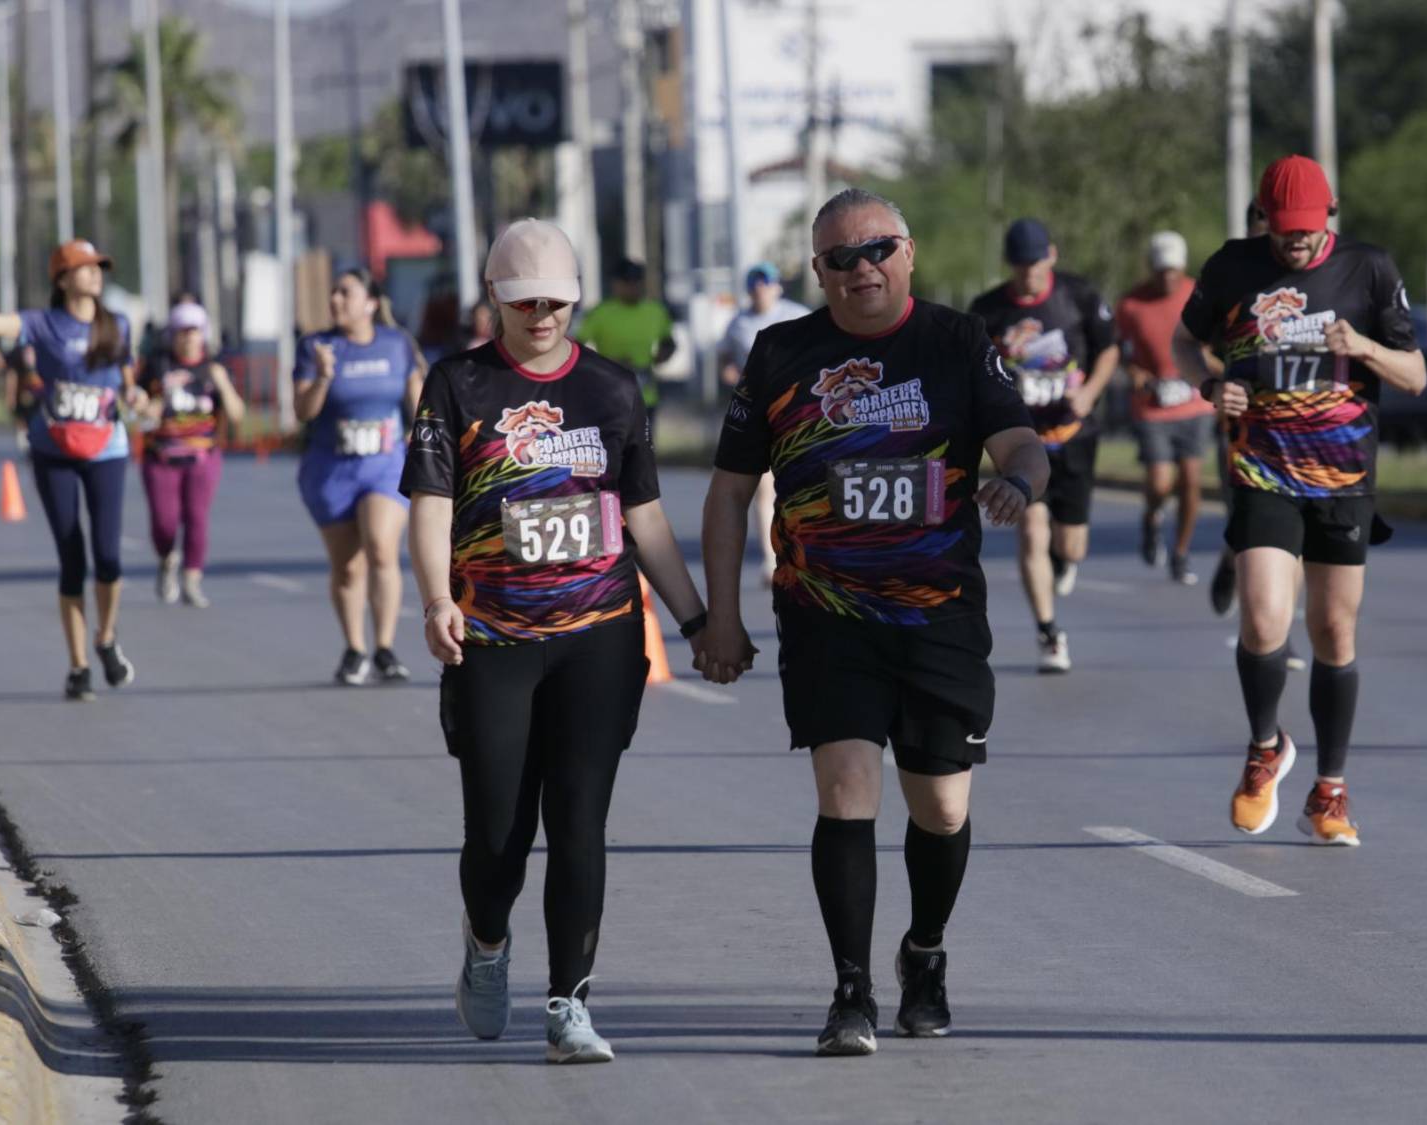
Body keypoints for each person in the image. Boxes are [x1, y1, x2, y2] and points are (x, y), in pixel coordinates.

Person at [701, 188, 1048, 1057]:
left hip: (938, 617)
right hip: (826, 613)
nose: (861, 269)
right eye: (839, 259)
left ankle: (922, 952)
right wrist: (721, 618)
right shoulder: (781, 353)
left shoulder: (957, 342)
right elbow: (729, 491)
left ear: (909, 252)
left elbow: (1019, 441)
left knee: (939, 806)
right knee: (845, 792)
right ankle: (849, 990)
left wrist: (1021, 482)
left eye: (876, 250)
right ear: (817, 272)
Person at [404, 218, 710, 1064]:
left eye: (556, 301)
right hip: (494, 641)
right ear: (496, 299)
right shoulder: (458, 384)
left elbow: (642, 513)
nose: (541, 315)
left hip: (598, 638)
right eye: (524, 300)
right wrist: (436, 600)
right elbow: (430, 504)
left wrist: (694, 617)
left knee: (579, 825)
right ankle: (488, 942)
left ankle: (569, 1003)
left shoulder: (612, 390)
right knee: (498, 837)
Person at [1183, 155, 1424, 847]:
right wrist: (1209, 386)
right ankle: (1264, 747)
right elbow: (1183, 342)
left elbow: (1415, 376)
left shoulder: (1369, 269)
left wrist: (1366, 347)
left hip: (1344, 478)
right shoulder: (1231, 267)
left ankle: (1329, 790)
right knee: (1262, 619)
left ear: (1330, 216)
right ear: (1263, 217)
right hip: (1261, 468)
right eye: (1283, 230)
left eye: (1307, 230)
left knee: (1331, 632)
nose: (1294, 243)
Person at [968, 218, 1117, 673]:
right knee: (1031, 530)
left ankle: (1061, 558)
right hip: (1020, 442)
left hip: (1073, 436)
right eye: (1020, 265)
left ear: (1050, 256)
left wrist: (1089, 393)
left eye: (1035, 263)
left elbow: (1109, 348)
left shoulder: (1078, 296)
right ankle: (1049, 633)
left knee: (1071, 546)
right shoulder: (988, 310)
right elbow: (971, 370)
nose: (1028, 273)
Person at [0, 239, 141, 700]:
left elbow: (129, 382)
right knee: (72, 558)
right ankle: (78, 665)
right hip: (54, 449)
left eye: (99, 266)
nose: (95, 274)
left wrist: (136, 397)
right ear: (62, 279)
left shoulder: (117, 324)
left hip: (106, 449)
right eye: (84, 268)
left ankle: (106, 637)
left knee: (109, 555)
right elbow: (4, 323)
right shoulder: (43, 323)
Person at [292, 268, 424, 685]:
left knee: (382, 548)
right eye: (332, 292)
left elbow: (419, 401)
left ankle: (384, 646)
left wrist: (423, 432)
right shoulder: (316, 346)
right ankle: (355, 647)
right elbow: (302, 412)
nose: (335, 299)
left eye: (345, 292)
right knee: (348, 567)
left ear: (370, 302)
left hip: (385, 466)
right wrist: (324, 375)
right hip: (330, 468)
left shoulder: (396, 343)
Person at [1117, 231, 1215, 584]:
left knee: (1191, 480)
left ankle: (1180, 552)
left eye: (1173, 271)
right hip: (1153, 405)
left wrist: (1210, 369)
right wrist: (1137, 375)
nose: (1168, 278)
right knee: (1160, 483)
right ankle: (1152, 517)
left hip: (1193, 402)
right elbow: (1122, 354)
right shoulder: (1131, 305)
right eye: (1161, 271)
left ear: (1183, 267)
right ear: (1151, 269)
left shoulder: (1199, 293)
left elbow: (1212, 341)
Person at [139, 301, 244, 609]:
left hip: (202, 457)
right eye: (182, 331)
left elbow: (237, 415)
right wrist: (149, 406)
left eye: (194, 331)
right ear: (173, 334)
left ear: (203, 334)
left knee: (197, 519)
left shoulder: (213, 369)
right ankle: (167, 559)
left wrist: (223, 384)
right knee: (165, 523)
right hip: (162, 457)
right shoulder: (159, 366)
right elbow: (142, 409)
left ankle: (191, 580)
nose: (188, 337)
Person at [716, 261, 810, 586]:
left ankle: (807, 549)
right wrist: (729, 373)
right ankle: (771, 559)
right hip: (759, 414)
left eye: (766, 283)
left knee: (803, 481)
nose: (761, 289)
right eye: (755, 284)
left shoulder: (797, 315)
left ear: (777, 287)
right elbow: (724, 358)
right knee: (764, 488)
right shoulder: (738, 324)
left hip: (798, 412)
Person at [1204, 201, 1269, 616]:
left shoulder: (1316, 282)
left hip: (1302, 431)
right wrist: (1220, 384)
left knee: (1287, 541)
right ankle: (1233, 566)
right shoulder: (1231, 282)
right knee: (1250, 530)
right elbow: (1193, 347)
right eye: (1262, 229)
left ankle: (1274, 631)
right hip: (1241, 429)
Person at [574, 258, 676, 428]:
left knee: (644, 450)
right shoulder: (600, 313)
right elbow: (576, 349)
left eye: (637, 282)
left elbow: (669, 342)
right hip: (608, 395)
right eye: (627, 282)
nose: (632, 287)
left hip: (645, 395)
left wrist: (663, 355)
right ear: (616, 284)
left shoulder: (655, 311)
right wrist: (608, 364)